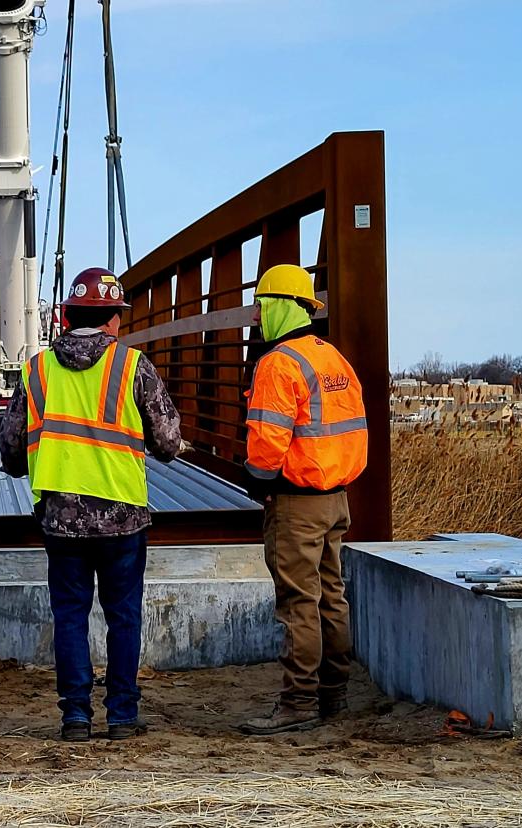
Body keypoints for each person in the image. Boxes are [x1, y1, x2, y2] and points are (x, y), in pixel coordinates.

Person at [0, 267, 182, 742]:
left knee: (70, 616)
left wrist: (28, 466)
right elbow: (166, 440)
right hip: (123, 516)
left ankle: (75, 716)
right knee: (123, 615)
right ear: (111, 321)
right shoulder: (132, 365)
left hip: (61, 518)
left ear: (67, 316)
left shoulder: (36, 369)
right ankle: (122, 716)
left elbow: (11, 445)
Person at [239, 264, 368, 735]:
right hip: (336, 497)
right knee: (331, 596)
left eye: (261, 305)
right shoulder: (330, 358)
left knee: (298, 603)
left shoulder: (278, 363)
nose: (256, 315)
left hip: (296, 502)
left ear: (278, 305)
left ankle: (298, 703)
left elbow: (268, 443)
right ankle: (334, 694)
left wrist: (255, 479)